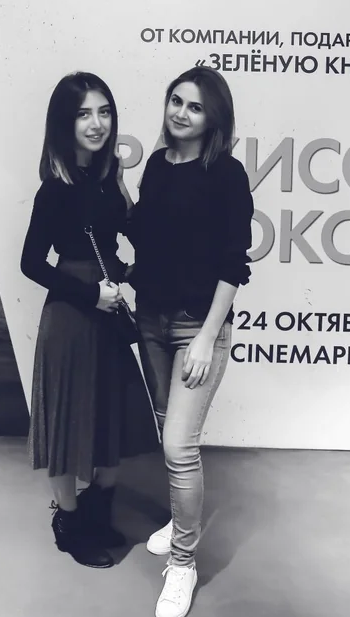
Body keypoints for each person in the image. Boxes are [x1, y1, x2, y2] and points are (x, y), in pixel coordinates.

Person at [124, 67, 254, 617]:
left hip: (197, 328)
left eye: (195, 106)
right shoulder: (157, 165)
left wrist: (205, 338)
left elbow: (233, 264)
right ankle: (180, 519)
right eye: (175, 101)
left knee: (180, 446)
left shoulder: (226, 174)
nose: (181, 112)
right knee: (165, 430)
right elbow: (149, 241)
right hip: (150, 320)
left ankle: (183, 564)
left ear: (213, 117)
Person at [21, 72, 161, 569]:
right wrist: (91, 294)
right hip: (71, 317)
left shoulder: (106, 180)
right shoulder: (55, 189)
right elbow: (31, 263)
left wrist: (124, 275)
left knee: (111, 416)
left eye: (104, 112)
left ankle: (99, 511)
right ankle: (69, 522)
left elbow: (120, 242)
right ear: (65, 122)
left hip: (106, 310)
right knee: (67, 424)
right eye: (84, 114)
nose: (96, 123)